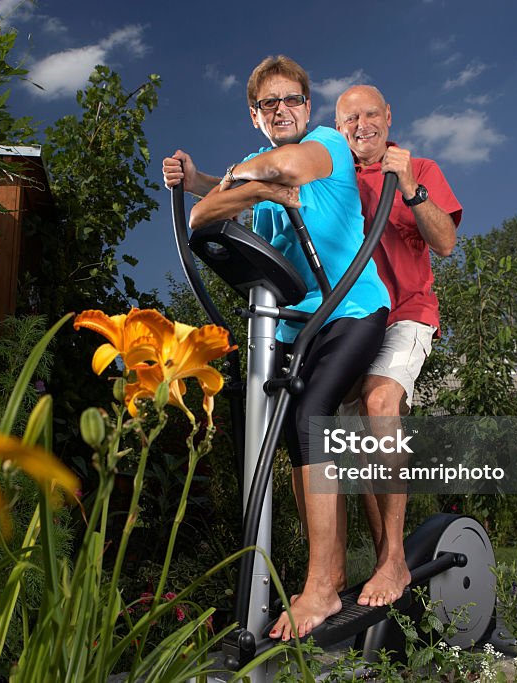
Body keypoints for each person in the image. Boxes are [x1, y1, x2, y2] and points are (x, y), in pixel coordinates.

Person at [162, 56, 391, 641]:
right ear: (255, 115)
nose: (283, 110)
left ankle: (320, 586)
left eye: (291, 100)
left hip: (352, 306)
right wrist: (237, 185)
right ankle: (330, 569)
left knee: (312, 415)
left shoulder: (327, 146)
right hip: (295, 324)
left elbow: (290, 165)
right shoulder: (262, 191)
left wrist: (240, 178)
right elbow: (204, 216)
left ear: (308, 109)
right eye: (270, 104)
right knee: (290, 433)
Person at [333, 85, 462, 608]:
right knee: (353, 442)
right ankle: (388, 556)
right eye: (349, 118)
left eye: (370, 114)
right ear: (338, 128)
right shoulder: (333, 177)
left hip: (407, 313)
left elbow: (446, 243)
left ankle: (393, 562)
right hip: (351, 321)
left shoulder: (421, 168)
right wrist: (204, 182)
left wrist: (409, 185)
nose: (361, 124)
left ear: (389, 116)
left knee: (380, 404)